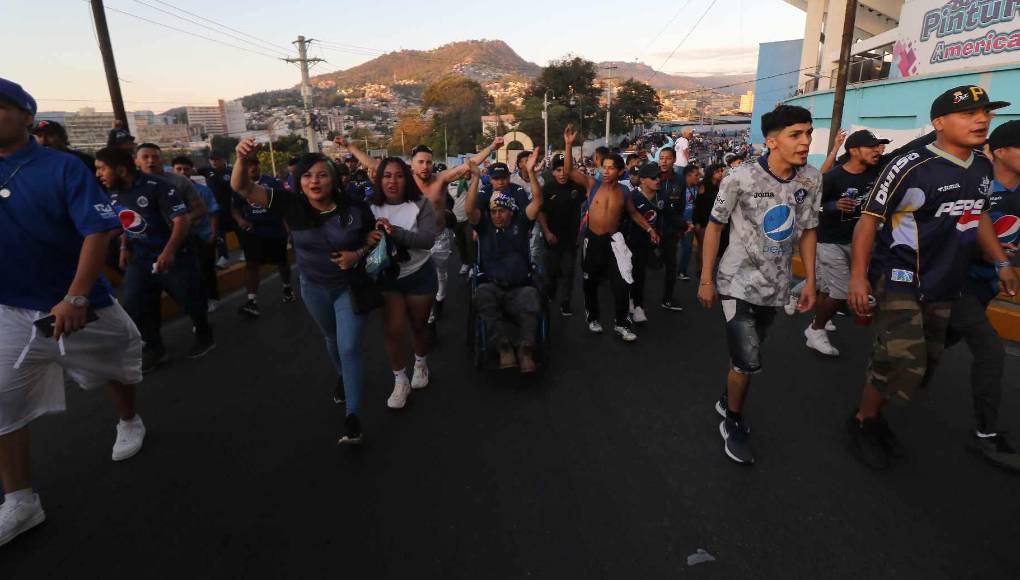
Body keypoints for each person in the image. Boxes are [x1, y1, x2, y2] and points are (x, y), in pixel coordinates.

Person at [0, 79, 144, 548]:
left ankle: (128, 420)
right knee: (2, 403)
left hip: (78, 304)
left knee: (117, 363)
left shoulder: (62, 168)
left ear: (27, 115)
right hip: (9, 308)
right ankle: (21, 501)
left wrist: (76, 297)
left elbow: (96, 231)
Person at [847, 85, 1019, 470]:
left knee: (924, 364)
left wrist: (1000, 263)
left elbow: (981, 215)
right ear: (939, 123)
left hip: (947, 282)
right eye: (969, 113)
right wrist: (858, 279)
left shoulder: (981, 166)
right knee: (900, 359)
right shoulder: (909, 165)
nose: (982, 119)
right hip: (900, 276)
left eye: (987, 112)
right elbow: (868, 222)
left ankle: (876, 409)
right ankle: (864, 421)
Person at [698, 105, 822, 465]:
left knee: (748, 354)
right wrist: (706, 278)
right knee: (748, 357)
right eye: (795, 134)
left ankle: (728, 397)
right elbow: (715, 226)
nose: (805, 141)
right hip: (736, 282)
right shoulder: (739, 178)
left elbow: (810, 230)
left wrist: (810, 280)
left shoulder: (811, 179)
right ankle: (733, 421)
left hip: (776, 284)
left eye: (808, 133)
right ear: (771, 141)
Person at [231, 138, 378, 443]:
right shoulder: (290, 204)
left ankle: (353, 416)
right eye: (308, 176)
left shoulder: (355, 208)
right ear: (299, 181)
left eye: (322, 175)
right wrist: (242, 160)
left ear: (334, 179)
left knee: (349, 346)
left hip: (349, 288)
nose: (315, 181)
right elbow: (243, 188)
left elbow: (373, 240)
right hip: (313, 288)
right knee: (331, 338)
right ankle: (342, 376)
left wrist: (357, 254)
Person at [96, 147, 216, 372]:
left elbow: (181, 221)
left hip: (176, 256)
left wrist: (168, 252)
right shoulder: (112, 192)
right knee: (135, 304)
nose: (98, 174)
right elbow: (126, 222)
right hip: (141, 258)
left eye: (102, 169)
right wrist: (123, 247)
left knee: (191, 300)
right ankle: (154, 347)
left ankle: (204, 332)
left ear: (121, 170)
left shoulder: (160, 187)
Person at [565, 125, 658, 342]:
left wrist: (650, 228)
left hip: (614, 242)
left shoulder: (625, 192)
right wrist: (568, 145)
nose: (605, 171)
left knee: (621, 283)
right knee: (590, 283)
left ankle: (621, 324)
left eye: (610, 168)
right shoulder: (591, 184)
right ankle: (593, 318)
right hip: (592, 240)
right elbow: (569, 172)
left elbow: (634, 214)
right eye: (603, 167)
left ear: (620, 171)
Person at [806, 130, 891, 356]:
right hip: (830, 241)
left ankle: (820, 317)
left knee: (829, 287)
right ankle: (816, 329)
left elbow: (904, 152)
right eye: (872, 146)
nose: (877, 150)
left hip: (859, 242)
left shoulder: (877, 171)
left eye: (879, 146)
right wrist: (833, 206)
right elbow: (808, 207)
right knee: (842, 291)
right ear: (853, 151)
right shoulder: (833, 178)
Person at [368, 157, 439, 410]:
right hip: (388, 278)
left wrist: (395, 232)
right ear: (379, 179)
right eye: (387, 175)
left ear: (406, 178)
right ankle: (400, 380)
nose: (392, 181)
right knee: (393, 330)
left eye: (398, 175)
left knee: (419, 326)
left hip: (420, 273)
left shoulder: (421, 204)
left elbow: (428, 240)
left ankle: (420, 364)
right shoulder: (369, 207)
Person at [464, 157, 544, 372]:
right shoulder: (485, 225)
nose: (497, 215)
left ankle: (526, 349)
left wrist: (531, 172)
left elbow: (537, 202)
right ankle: (503, 346)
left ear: (511, 211)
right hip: (492, 284)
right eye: (494, 212)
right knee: (482, 295)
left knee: (531, 299)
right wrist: (475, 178)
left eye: (501, 211)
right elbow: (470, 210)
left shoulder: (521, 221)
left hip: (519, 286)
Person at [232, 161, 296, 317]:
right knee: (252, 265)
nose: (252, 167)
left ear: (259, 166)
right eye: (248, 165)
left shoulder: (272, 183)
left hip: (275, 231)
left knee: (281, 262)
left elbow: (284, 206)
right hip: (254, 233)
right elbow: (234, 207)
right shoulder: (240, 186)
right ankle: (252, 301)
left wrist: (289, 230)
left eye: (254, 164)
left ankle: (287, 287)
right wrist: (241, 220)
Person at [538, 153, 588, 317]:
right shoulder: (547, 189)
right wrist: (547, 232)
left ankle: (565, 302)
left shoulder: (577, 188)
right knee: (551, 273)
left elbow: (590, 190)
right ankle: (549, 292)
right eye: (558, 170)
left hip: (570, 239)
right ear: (552, 172)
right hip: (551, 238)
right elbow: (541, 213)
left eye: (564, 169)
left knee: (568, 271)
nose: (562, 174)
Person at [171, 156, 221, 312]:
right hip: (180, 239)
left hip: (203, 236)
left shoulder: (202, 190)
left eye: (186, 169)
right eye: (179, 169)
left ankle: (212, 297)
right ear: (173, 170)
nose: (182, 172)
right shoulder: (167, 191)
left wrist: (213, 232)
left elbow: (214, 212)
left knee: (206, 269)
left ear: (192, 170)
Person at [626, 163, 664, 323]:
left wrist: (683, 225)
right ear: (642, 180)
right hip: (630, 242)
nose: (657, 180)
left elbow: (667, 215)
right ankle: (630, 304)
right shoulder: (632, 197)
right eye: (653, 178)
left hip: (648, 244)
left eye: (658, 177)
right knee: (629, 274)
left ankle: (637, 305)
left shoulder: (661, 196)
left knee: (640, 274)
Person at [656, 147, 686, 310]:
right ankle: (635, 302)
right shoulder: (652, 176)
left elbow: (680, 207)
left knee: (671, 266)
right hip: (650, 230)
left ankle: (667, 299)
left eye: (667, 158)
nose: (664, 161)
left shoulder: (680, 180)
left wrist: (679, 228)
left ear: (674, 160)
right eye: (661, 158)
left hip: (670, 232)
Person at [197, 152, 236, 267]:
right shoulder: (206, 170)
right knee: (219, 233)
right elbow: (190, 171)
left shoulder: (230, 171)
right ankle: (223, 257)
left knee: (239, 229)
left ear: (223, 159)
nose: (214, 161)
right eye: (211, 159)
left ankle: (245, 251)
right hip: (215, 208)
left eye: (216, 159)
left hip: (232, 207)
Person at [676, 165, 701, 281]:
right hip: (682, 223)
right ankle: (680, 271)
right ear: (688, 175)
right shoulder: (679, 188)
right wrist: (682, 222)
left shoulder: (698, 187)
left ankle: (683, 270)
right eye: (696, 175)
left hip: (693, 223)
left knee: (688, 248)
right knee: (685, 247)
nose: (699, 176)